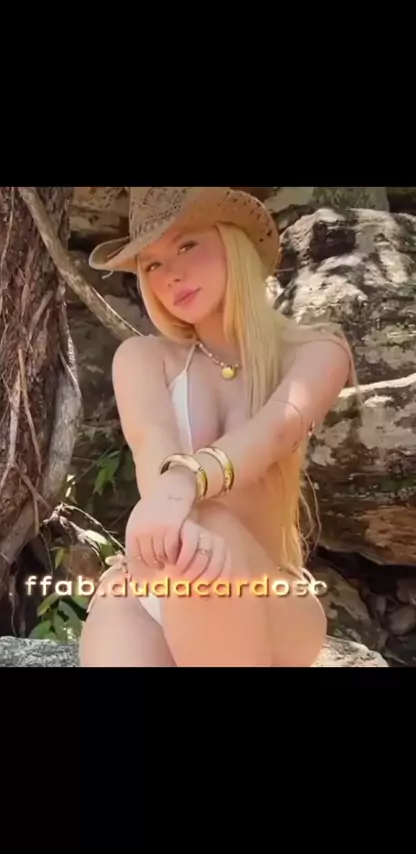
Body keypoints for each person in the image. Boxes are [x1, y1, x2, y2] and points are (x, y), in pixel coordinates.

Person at [79, 187, 355, 667]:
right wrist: (177, 515)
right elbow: (152, 446)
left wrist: (186, 483)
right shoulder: (142, 358)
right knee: (166, 566)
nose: (172, 274)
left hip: (269, 596)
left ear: (233, 243)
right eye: (152, 264)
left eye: (187, 245)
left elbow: (273, 433)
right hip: (156, 579)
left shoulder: (316, 352)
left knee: (207, 532)